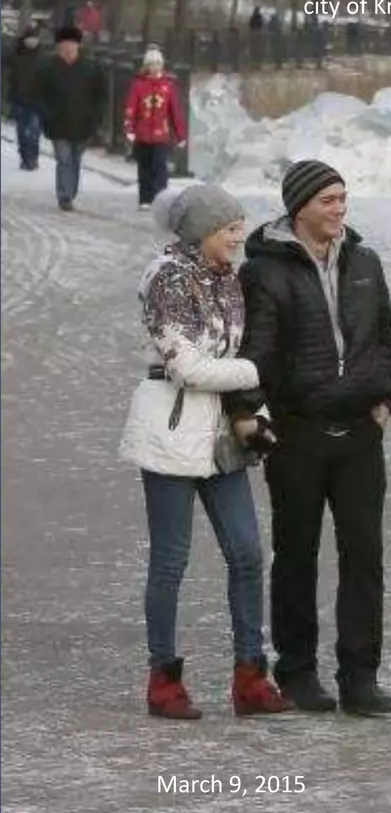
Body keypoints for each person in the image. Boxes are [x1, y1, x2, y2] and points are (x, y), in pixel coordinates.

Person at [239, 160, 391, 716]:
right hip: (298, 433)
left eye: (343, 198)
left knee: (364, 554)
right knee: (296, 554)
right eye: (329, 200)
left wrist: (387, 399)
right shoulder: (265, 271)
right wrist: (257, 413)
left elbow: (384, 333)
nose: (340, 209)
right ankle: (298, 670)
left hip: (360, 432)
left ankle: (360, 674)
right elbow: (256, 350)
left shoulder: (365, 261)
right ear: (300, 206)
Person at [121, 185, 291, 720]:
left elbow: (230, 354)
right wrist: (262, 372)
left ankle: (250, 677)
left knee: (246, 552)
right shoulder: (168, 277)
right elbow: (187, 367)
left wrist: (252, 413)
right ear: (200, 232)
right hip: (171, 430)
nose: (239, 236)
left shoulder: (228, 281)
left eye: (241, 226)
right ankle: (164, 679)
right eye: (229, 228)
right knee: (170, 562)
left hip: (219, 433)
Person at [35, 24, 106, 211]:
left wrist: (96, 117)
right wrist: (46, 114)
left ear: (78, 46)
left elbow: (101, 95)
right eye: (64, 44)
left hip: (82, 122)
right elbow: (37, 94)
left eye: (72, 44)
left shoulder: (90, 67)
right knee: (64, 159)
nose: (68, 48)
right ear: (58, 46)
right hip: (57, 122)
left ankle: (71, 191)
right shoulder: (47, 67)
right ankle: (64, 195)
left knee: (75, 159)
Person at [123, 46, 186, 210]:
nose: (155, 67)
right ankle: (145, 199)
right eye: (151, 64)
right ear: (146, 66)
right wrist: (129, 128)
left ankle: (161, 198)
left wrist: (181, 134)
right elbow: (131, 108)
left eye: (158, 64)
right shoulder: (138, 85)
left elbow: (175, 111)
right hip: (142, 134)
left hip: (161, 135)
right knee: (144, 168)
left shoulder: (168, 86)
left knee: (160, 168)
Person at [8, 24, 45, 170]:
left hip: (38, 99)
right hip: (19, 97)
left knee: (34, 131)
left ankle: (33, 157)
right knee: (22, 131)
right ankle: (25, 156)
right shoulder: (16, 55)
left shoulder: (43, 56)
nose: (32, 42)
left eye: (34, 39)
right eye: (29, 39)